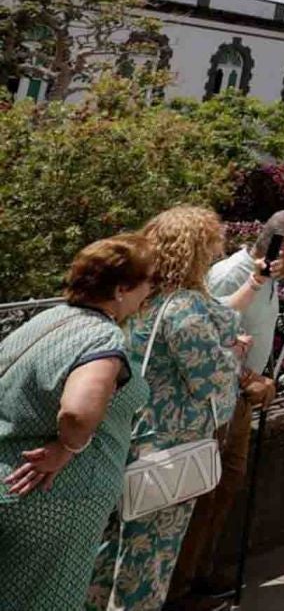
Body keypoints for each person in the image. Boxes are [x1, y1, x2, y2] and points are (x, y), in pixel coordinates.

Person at [89, 207, 245, 611]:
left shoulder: (138, 301)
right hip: (166, 450)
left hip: (122, 436)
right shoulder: (184, 306)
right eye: (212, 244)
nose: (217, 251)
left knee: (109, 550)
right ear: (196, 251)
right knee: (150, 553)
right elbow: (210, 381)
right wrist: (234, 354)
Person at [0, 235, 155, 611]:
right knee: (46, 600)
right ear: (121, 289)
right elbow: (76, 412)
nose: (150, 291)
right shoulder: (101, 337)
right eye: (148, 281)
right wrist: (67, 448)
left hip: (10, 481)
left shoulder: (48, 320)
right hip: (56, 499)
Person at [170, 210, 284, 606]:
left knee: (224, 488)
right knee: (206, 492)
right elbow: (209, 343)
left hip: (239, 401)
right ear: (282, 245)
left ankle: (199, 574)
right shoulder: (231, 276)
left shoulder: (264, 276)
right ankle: (180, 586)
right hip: (217, 402)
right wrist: (250, 380)